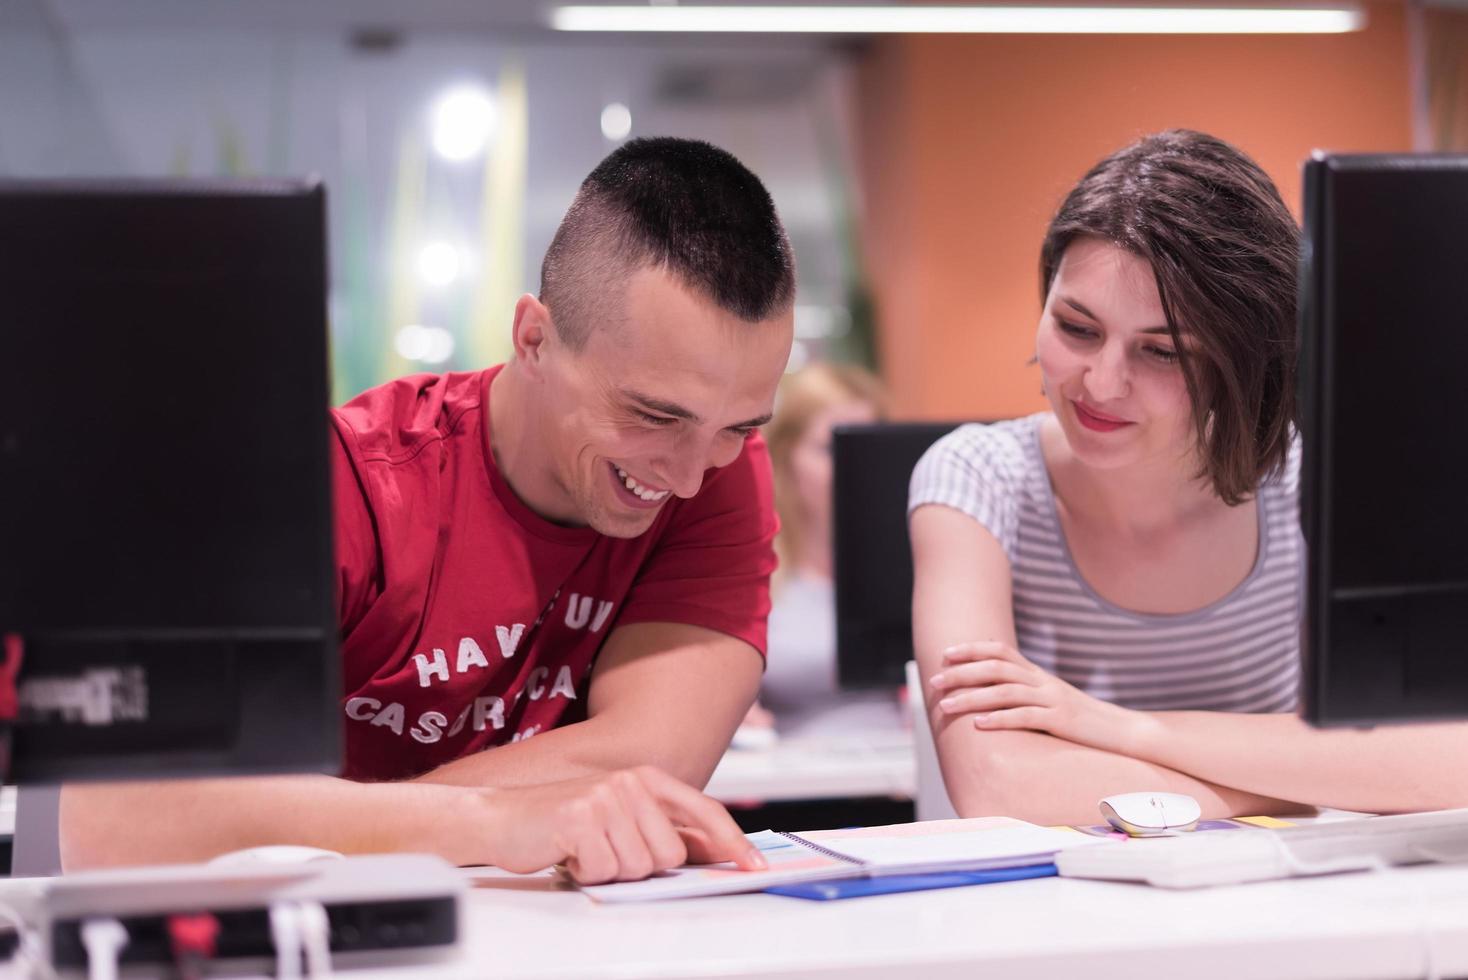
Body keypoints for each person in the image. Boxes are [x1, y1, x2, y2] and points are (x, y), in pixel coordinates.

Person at [60, 137, 796, 883]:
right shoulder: (345, 482)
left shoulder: (715, 470)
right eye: (653, 415)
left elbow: (650, 756)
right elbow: (116, 820)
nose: (687, 477)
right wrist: (492, 823)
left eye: (738, 426)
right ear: (534, 339)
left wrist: (313, 819)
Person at [909, 129, 1468, 826]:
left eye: (1163, 352)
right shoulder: (976, 478)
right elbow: (1000, 788)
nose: (1102, 383)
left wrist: (1121, 727)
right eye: (1077, 328)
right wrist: (1309, 782)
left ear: (1245, 360)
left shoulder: (1307, 479)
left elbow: (1449, 757)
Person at [742, 362, 904, 738]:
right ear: (786, 457)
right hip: (798, 784)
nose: (857, 467)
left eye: (869, 448)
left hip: (907, 775)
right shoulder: (753, 571)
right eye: (833, 448)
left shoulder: (914, 563)